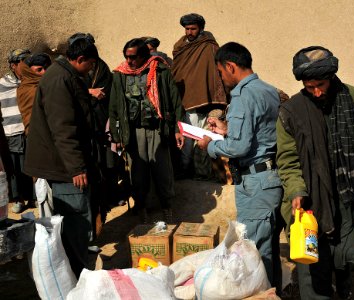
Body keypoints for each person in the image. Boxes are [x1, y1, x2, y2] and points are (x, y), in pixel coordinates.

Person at [276, 46, 354, 299]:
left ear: (332, 77)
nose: (317, 91)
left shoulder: (351, 97)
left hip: (347, 195)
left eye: (320, 84)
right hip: (310, 200)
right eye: (310, 86)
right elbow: (288, 160)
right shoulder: (291, 111)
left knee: (343, 258)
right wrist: (297, 191)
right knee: (312, 264)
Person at [197, 42, 283, 290]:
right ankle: (272, 292)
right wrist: (227, 130)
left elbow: (238, 148)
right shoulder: (268, 90)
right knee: (268, 248)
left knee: (255, 252)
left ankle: (264, 294)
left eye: (221, 73)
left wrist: (210, 146)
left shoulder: (243, 96)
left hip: (256, 184)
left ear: (230, 66)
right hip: (270, 179)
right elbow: (260, 132)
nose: (222, 79)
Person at [24, 38, 100, 278]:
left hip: (65, 163)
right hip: (64, 167)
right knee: (76, 221)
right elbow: (63, 129)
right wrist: (76, 168)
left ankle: (78, 270)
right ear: (79, 59)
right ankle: (79, 276)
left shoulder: (65, 75)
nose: (91, 69)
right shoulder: (60, 79)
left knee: (77, 218)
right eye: (90, 64)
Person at [109, 38, 184, 223]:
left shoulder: (160, 70)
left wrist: (177, 129)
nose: (129, 61)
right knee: (138, 172)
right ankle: (141, 206)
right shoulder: (120, 75)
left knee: (162, 170)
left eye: (133, 57)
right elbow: (114, 107)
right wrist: (116, 135)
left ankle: (166, 205)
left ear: (144, 56)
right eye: (126, 57)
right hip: (133, 131)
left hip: (157, 129)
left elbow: (175, 101)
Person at [68, 32, 113, 238]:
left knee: (99, 178)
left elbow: (105, 93)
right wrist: (89, 92)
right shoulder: (67, 74)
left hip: (97, 129)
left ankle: (97, 224)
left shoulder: (101, 69)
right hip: (80, 138)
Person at [172, 13, 227, 179]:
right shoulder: (180, 45)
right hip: (183, 101)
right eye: (187, 29)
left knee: (199, 140)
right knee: (186, 140)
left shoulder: (209, 46)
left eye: (193, 29)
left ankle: (198, 173)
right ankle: (184, 171)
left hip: (203, 103)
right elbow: (178, 71)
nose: (189, 32)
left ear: (201, 28)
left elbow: (215, 72)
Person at [17, 52, 52, 215]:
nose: (44, 73)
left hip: (49, 142)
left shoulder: (43, 86)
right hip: (38, 142)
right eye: (39, 70)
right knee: (43, 189)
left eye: (46, 68)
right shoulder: (30, 88)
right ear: (30, 71)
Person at [0, 48, 33, 213]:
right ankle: (18, 198)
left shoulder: (30, 82)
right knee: (15, 169)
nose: (28, 65)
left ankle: (33, 197)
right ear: (13, 66)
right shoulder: (2, 85)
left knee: (32, 164)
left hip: (29, 130)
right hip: (11, 132)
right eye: (24, 62)